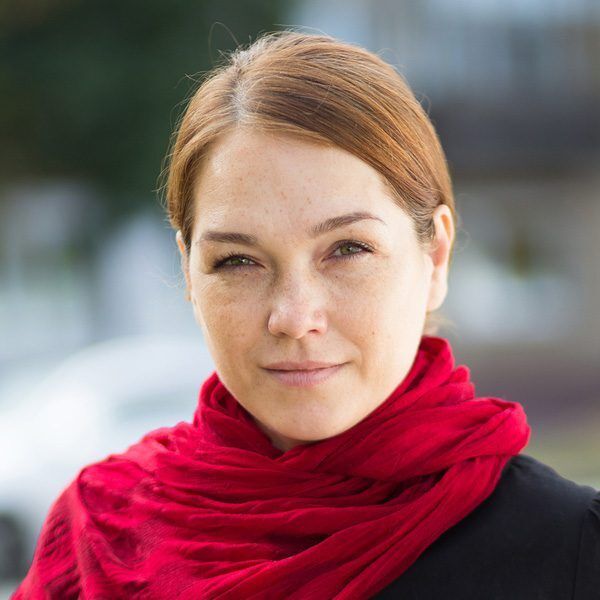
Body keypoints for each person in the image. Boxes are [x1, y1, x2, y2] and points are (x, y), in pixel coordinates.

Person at [12, 30, 599, 600]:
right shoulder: (99, 532)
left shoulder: (571, 551)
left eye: (348, 250)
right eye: (238, 260)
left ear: (436, 256)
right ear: (189, 271)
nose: (294, 317)